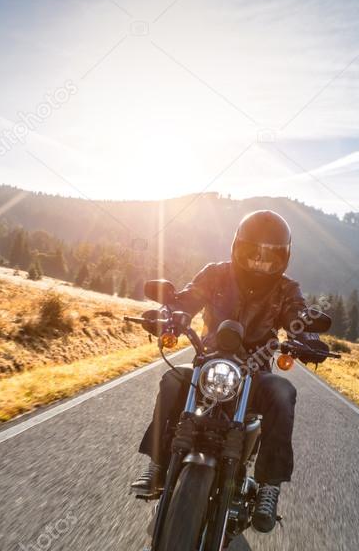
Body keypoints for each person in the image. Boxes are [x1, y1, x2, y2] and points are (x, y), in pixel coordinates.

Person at [131, 209, 313, 532]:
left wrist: (305, 336)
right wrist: (169, 312)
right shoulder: (216, 274)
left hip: (254, 372)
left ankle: (269, 487)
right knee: (172, 381)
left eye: (269, 258)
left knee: (284, 393)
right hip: (208, 361)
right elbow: (188, 298)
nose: (259, 263)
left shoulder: (286, 290)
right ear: (237, 248)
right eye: (252, 254)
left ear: (282, 259)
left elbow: (298, 315)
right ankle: (157, 463)